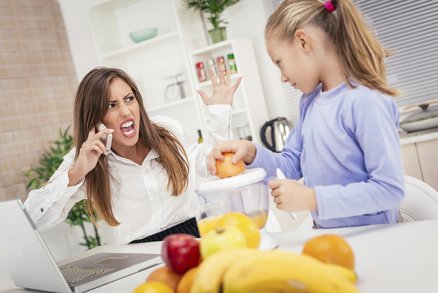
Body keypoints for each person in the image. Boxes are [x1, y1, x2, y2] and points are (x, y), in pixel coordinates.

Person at [207, 0, 404, 228]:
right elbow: (289, 166)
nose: (282, 77)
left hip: (376, 239)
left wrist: (312, 198)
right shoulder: (310, 102)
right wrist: (250, 152)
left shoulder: (365, 100)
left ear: (303, 42)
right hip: (327, 236)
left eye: (279, 62)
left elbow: (389, 190)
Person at [24, 66, 241, 244]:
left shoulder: (168, 132)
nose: (126, 111)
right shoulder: (85, 160)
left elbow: (215, 165)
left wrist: (219, 114)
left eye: (129, 99)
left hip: (195, 240)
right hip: (139, 256)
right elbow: (31, 220)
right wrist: (76, 173)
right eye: (111, 105)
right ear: (94, 120)